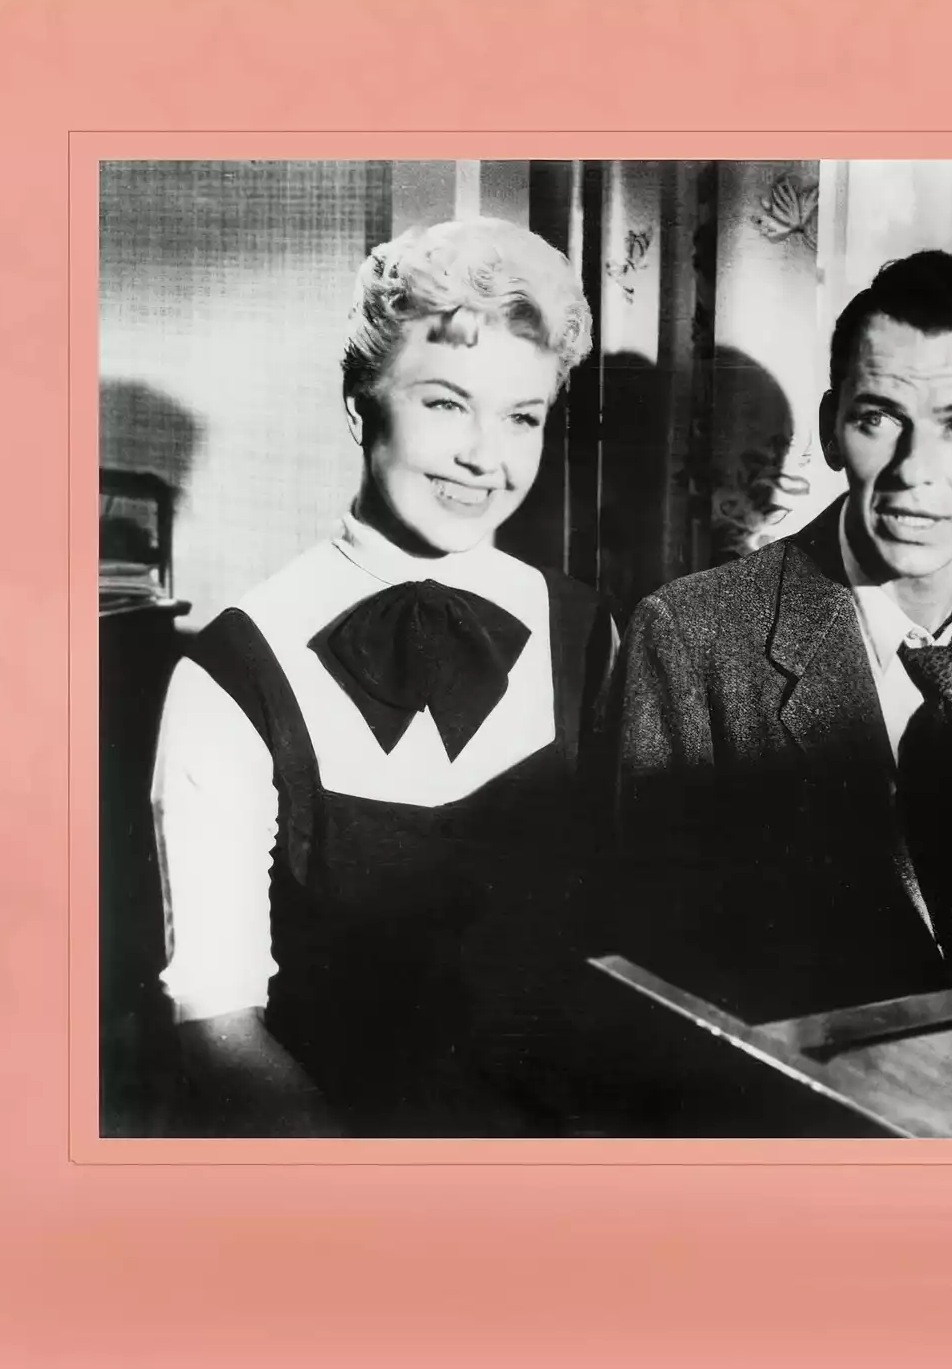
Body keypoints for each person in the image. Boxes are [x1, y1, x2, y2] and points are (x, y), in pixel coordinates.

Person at [605, 250, 952, 1025]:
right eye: (878, 418)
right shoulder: (689, 636)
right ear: (832, 430)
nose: (913, 470)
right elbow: (661, 960)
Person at [149, 218, 613, 1136]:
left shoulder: (591, 634)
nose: (486, 457)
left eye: (522, 417)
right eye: (446, 403)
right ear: (360, 404)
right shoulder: (230, 675)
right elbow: (220, 1032)